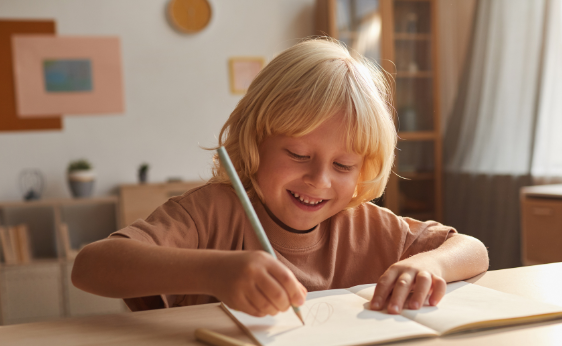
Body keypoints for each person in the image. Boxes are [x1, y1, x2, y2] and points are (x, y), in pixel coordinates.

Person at [72, 38, 489, 317]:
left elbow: (472, 250)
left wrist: (427, 264)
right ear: (256, 141)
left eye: (344, 166)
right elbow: (92, 266)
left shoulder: (365, 226)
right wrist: (214, 272)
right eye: (298, 154)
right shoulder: (211, 213)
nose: (320, 180)